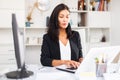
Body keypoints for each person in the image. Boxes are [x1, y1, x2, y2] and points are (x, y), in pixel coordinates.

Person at [40, 3, 83, 68]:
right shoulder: (47, 37)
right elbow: (44, 60)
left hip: (74, 73)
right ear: (55, 19)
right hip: (56, 74)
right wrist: (64, 62)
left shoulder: (76, 35)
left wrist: (82, 60)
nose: (65, 20)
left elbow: (80, 56)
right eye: (61, 17)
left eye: (67, 17)